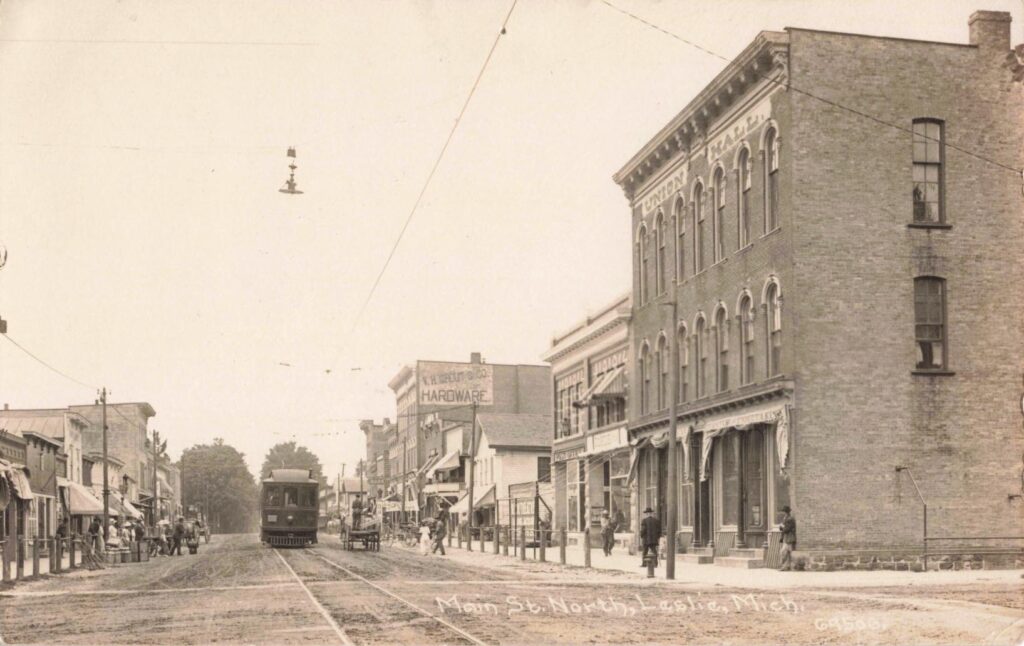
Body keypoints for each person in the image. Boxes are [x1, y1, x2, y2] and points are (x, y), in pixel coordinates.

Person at [778, 505, 797, 571]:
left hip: (789, 538)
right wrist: (781, 527)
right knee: (788, 553)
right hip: (787, 538)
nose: (784, 513)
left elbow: (787, 529)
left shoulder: (790, 519)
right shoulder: (785, 518)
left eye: (784, 512)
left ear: (787, 512)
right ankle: (787, 566)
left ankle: (784, 567)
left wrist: (782, 527)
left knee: (783, 552)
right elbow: (783, 528)